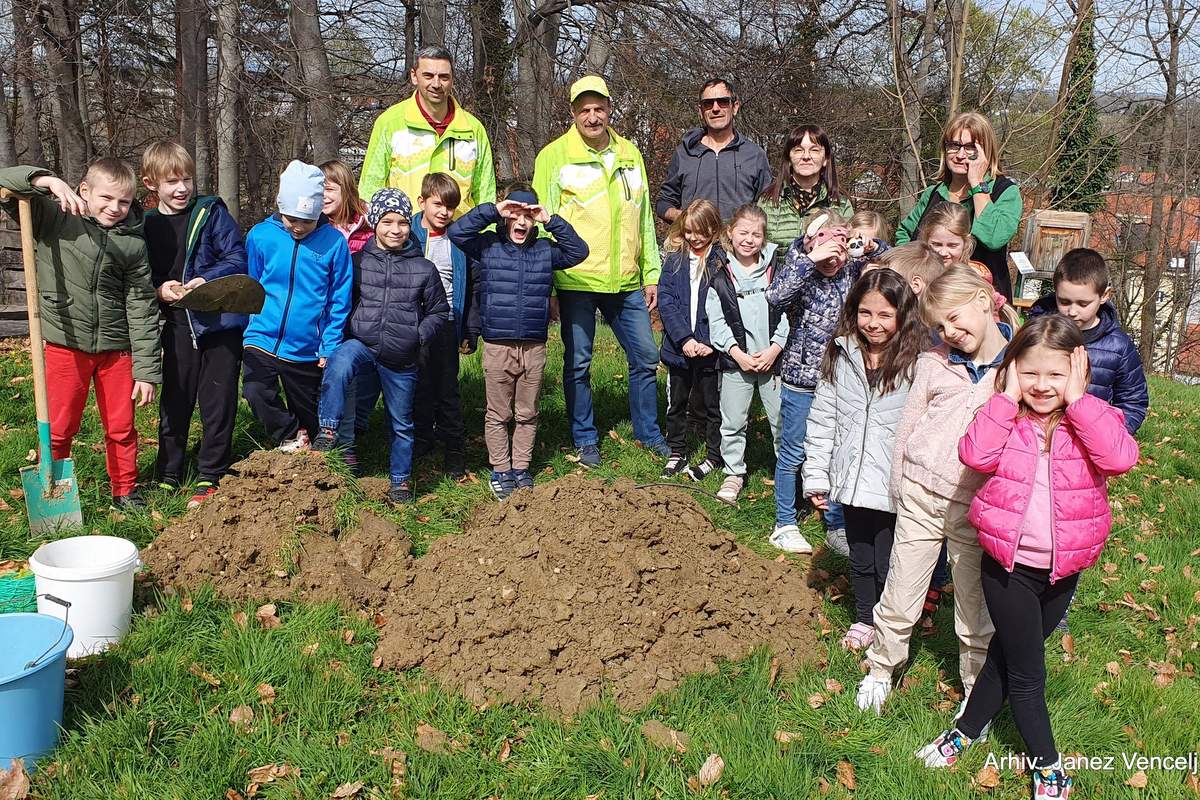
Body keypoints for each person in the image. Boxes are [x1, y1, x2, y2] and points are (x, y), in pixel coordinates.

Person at [916, 315, 1138, 800]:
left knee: (1007, 655)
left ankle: (965, 730)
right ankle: (1048, 767)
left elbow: (1121, 459)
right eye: (1030, 372)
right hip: (1008, 568)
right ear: (1014, 369)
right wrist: (1004, 396)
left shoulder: (1093, 418)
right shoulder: (1005, 418)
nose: (1042, 385)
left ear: (1078, 372)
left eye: (1056, 374)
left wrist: (1079, 401)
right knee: (1028, 674)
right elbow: (975, 456)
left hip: (1062, 572)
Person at [856, 266, 1020, 717]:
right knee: (902, 588)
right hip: (922, 496)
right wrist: (898, 488)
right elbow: (908, 429)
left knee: (973, 602)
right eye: (941, 326)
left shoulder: (1015, 370)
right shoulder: (933, 363)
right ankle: (881, 668)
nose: (950, 331)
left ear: (985, 301)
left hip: (976, 506)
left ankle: (975, 690)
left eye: (955, 318)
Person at [0, 160, 160, 509]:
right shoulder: (55, 217)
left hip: (117, 351)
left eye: (123, 201)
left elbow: (142, 306)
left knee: (121, 426)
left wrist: (146, 370)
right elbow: (5, 184)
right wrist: (47, 181)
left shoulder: (132, 243)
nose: (114, 208)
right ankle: (53, 493)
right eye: (106, 198)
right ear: (84, 190)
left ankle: (125, 490)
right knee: (58, 426)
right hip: (65, 343)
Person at [532, 75, 668, 466]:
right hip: (575, 278)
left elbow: (642, 217)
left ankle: (648, 432)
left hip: (625, 279)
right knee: (578, 363)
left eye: (599, 108)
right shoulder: (553, 156)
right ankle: (585, 437)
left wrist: (650, 272)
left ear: (610, 109)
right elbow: (543, 224)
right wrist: (550, 286)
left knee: (645, 355)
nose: (593, 116)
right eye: (584, 109)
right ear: (573, 113)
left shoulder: (630, 153)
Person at [803, 269, 929, 650]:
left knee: (889, 557)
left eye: (884, 315)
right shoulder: (842, 354)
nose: (873, 324)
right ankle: (863, 618)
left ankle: (891, 621)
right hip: (852, 476)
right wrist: (816, 476)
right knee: (859, 555)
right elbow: (824, 417)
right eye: (865, 313)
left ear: (902, 315)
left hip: (894, 480)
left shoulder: (918, 362)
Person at [449, 186, 589, 500]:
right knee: (498, 414)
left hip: (534, 347)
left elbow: (578, 251)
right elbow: (458, 232)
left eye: (529, 216)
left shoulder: (545, 250)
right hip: (498, 346)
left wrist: (551, 220)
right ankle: (500, 470)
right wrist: (493, 209)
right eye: (516, 214)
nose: (522, 222)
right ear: (505, 218)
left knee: (527, 412)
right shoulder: (488, 245)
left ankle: (521, 468)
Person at [314, 189, 448, 504]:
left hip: (401, 357)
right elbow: (341, 301)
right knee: (340, 361)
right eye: (387, 221)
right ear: (375, 223)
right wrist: (341, 333)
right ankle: (329, 429)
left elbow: (439, 311)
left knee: (401, 422)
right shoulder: (357, 262)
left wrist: (418, 335)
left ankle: (400, 482)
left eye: (402, 222)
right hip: (362, 343)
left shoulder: (423, 268)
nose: (395, 229)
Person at [765, 213, 886, 557]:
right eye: (824, 240)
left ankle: (835, 522)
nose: (833, 252)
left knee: (835, 450)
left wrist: (871, 246)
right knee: (793, 452)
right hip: (802, 379)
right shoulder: (801, 270)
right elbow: (775, 296)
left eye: (840, 242)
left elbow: (893, 260)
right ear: (810, 241)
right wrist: (809, 258)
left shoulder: (850, 271)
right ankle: (784, 523)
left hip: (840, 377)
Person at [141, 141, 247, 508]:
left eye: (187, 178)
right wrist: (160, 288)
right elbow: (142, 272)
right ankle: (168, 473)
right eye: (172, 181)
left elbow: (236, 255)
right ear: (151, 183)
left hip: (219, 323)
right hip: (176, 323)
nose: (182, 188)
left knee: (218, 400)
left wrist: (207, 280)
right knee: (176, 397)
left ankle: (210, 473)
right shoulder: (146, 224)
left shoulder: (211, 211)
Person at [242, 160, 353, 452]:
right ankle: (289, 434)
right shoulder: (260, 236)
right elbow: (252, 284)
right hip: (262, 337)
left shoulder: (333, 243)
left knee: (311, 417)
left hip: (306, 347)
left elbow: (339, 298)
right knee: (255, 391)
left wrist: (329, 344)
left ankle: (314, 453)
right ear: (280, 207)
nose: (299, 227)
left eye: (307, 220)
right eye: (291, 218)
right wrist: (249, 326)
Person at [706, 204, 788, 505]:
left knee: (781, 419)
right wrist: (736, 353)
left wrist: (775, 348)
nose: (749, 239)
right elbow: (716, 321)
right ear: (731, 233)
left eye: (756, 234)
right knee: (733, 421)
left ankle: (788, 473)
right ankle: (734, 472)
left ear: (764, 238)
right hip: (736, 361)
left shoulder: (777, 270)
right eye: (743, 232)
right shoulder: (720, 276)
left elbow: (788, 313)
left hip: (772, 359)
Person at [896, 111, 1022, 300]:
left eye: (971, 148)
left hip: (983, 302)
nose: (960, 155)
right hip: (932, 300)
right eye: (954, 145)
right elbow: (904, 236)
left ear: (986, 151)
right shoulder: (934, 193)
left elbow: (995, 237)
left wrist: (978, 184)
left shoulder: (1005, 192)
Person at [359, 45, 496, 215]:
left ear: (452, 79)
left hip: (460, 236)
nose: (436, 84)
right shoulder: (390, 123)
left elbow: (486, 195)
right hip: (406, 236)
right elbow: (371, 189)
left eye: (444, 77)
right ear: (414, 76)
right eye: (428, 76)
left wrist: (486, 236)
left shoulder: (473, 129)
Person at [1029, 248, 1148, 435]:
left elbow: (1132, 401)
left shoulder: (1118, 346)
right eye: (1064, 302)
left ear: (1104, 296)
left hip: (1089, 440)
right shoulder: (1037, 333)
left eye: (1083, 304)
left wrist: (1111, 437)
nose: (1072, 311)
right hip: (1036, 437)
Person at [657, 199, 725, 481]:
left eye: (701, 231)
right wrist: (684, 338)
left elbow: (726, 304)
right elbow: (666, 300)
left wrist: (709, 340)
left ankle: (713, 456)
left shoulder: (723, 261)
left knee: (712, 406)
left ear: (714, 228)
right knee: (677, 404)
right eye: (689, 231)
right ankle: (677, 450)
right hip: (679, 348)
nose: (695, 238)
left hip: (711, 349)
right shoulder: (674, 260)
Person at [410, 172, 471, 476]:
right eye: (438, 204)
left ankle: (455, 447)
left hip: (447, 320)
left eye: (450, 206)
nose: (444, 212)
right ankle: (422, 439)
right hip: (415, 322)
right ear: (422, 202)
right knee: (419, 384)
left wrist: (469, 329)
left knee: (447, 386)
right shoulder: (407, 233)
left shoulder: (458, 238)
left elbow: (470, 284)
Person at [655, 78, 772, 222]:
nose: (715, 108)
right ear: (700, 111)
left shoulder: (754, 155)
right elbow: (663, 203)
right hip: (694, 243)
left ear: (734, 107)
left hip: (738, 244)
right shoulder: (684, 153)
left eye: (722, 101)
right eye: (708, 104)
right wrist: (684, 218)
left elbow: (768, 208)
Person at [758, 125, 853, 256]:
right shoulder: (767, 202)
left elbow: (850, 252)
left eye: (814, 150)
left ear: (825, 159)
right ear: (789, 159)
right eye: (798, 150)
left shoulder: (840, 204)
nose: (806, 156)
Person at [321, 160, 372, 254]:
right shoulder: (315, 227)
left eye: (329, 189)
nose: (323, 195)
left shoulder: (368, 224)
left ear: (347, 190)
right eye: (319, 190)